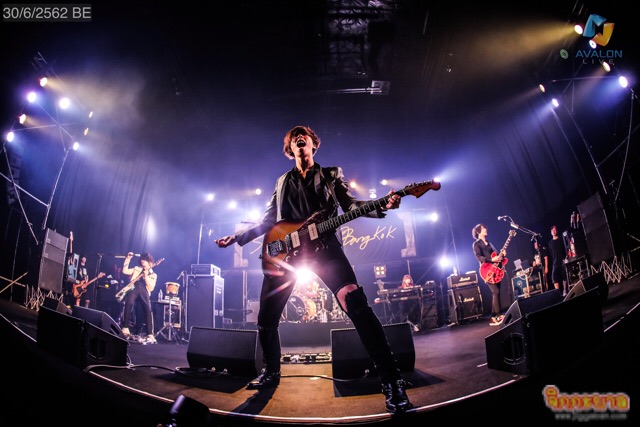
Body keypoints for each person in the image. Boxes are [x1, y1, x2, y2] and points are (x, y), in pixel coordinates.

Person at [214, 125, 412, 414]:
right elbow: (268, 219)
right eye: (294, 136)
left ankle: (392, 380)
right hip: (286, 253)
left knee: (355, 300)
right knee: (266, 317)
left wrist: (383, 205)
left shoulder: (330, 174)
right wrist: (238, 237)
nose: (299, 137)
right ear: (290, 149)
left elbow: (350, 205)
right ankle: (271, 372)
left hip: (324, 248)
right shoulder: (282, 181)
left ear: (312, 144)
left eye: (303, 134)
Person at [120, 252, 158, 344]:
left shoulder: (153, 274)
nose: (142, 261)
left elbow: (151, 288)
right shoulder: (137, 268)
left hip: (144, 290)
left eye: (144, 260)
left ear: (149, 262)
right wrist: (128, 259)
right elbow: (125, 271)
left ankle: (150, 333)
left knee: (148, 309)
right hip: (134, 288)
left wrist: (146, 276)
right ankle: (125, 328)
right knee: (128, 303)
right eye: (141, 259)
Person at [472, 224, 505, 326]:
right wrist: (491, 260)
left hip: (496, 270)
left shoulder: (489, 243)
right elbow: (479, 257)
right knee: (496, 291)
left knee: (496, 293)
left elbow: (496, 254)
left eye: (485, 228)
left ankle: (493, 317)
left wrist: (502, 255)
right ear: (478, 232)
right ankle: (499, 315)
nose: (486, 229)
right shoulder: (476, 244)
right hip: (486, 271)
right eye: (483, 228)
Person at [548, 225, 568, 297]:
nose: (553, 231)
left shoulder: (561, 239)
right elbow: (551, 253)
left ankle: (565, 290)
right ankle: (558, 293)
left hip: (562, 260)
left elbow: (565, 249)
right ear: (551, 232)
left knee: (564, 275)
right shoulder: (550, 243)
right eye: (552, 230)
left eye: (555, 230)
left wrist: (565, 258)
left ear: (557, 231)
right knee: (554, 277)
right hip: (555, 262)